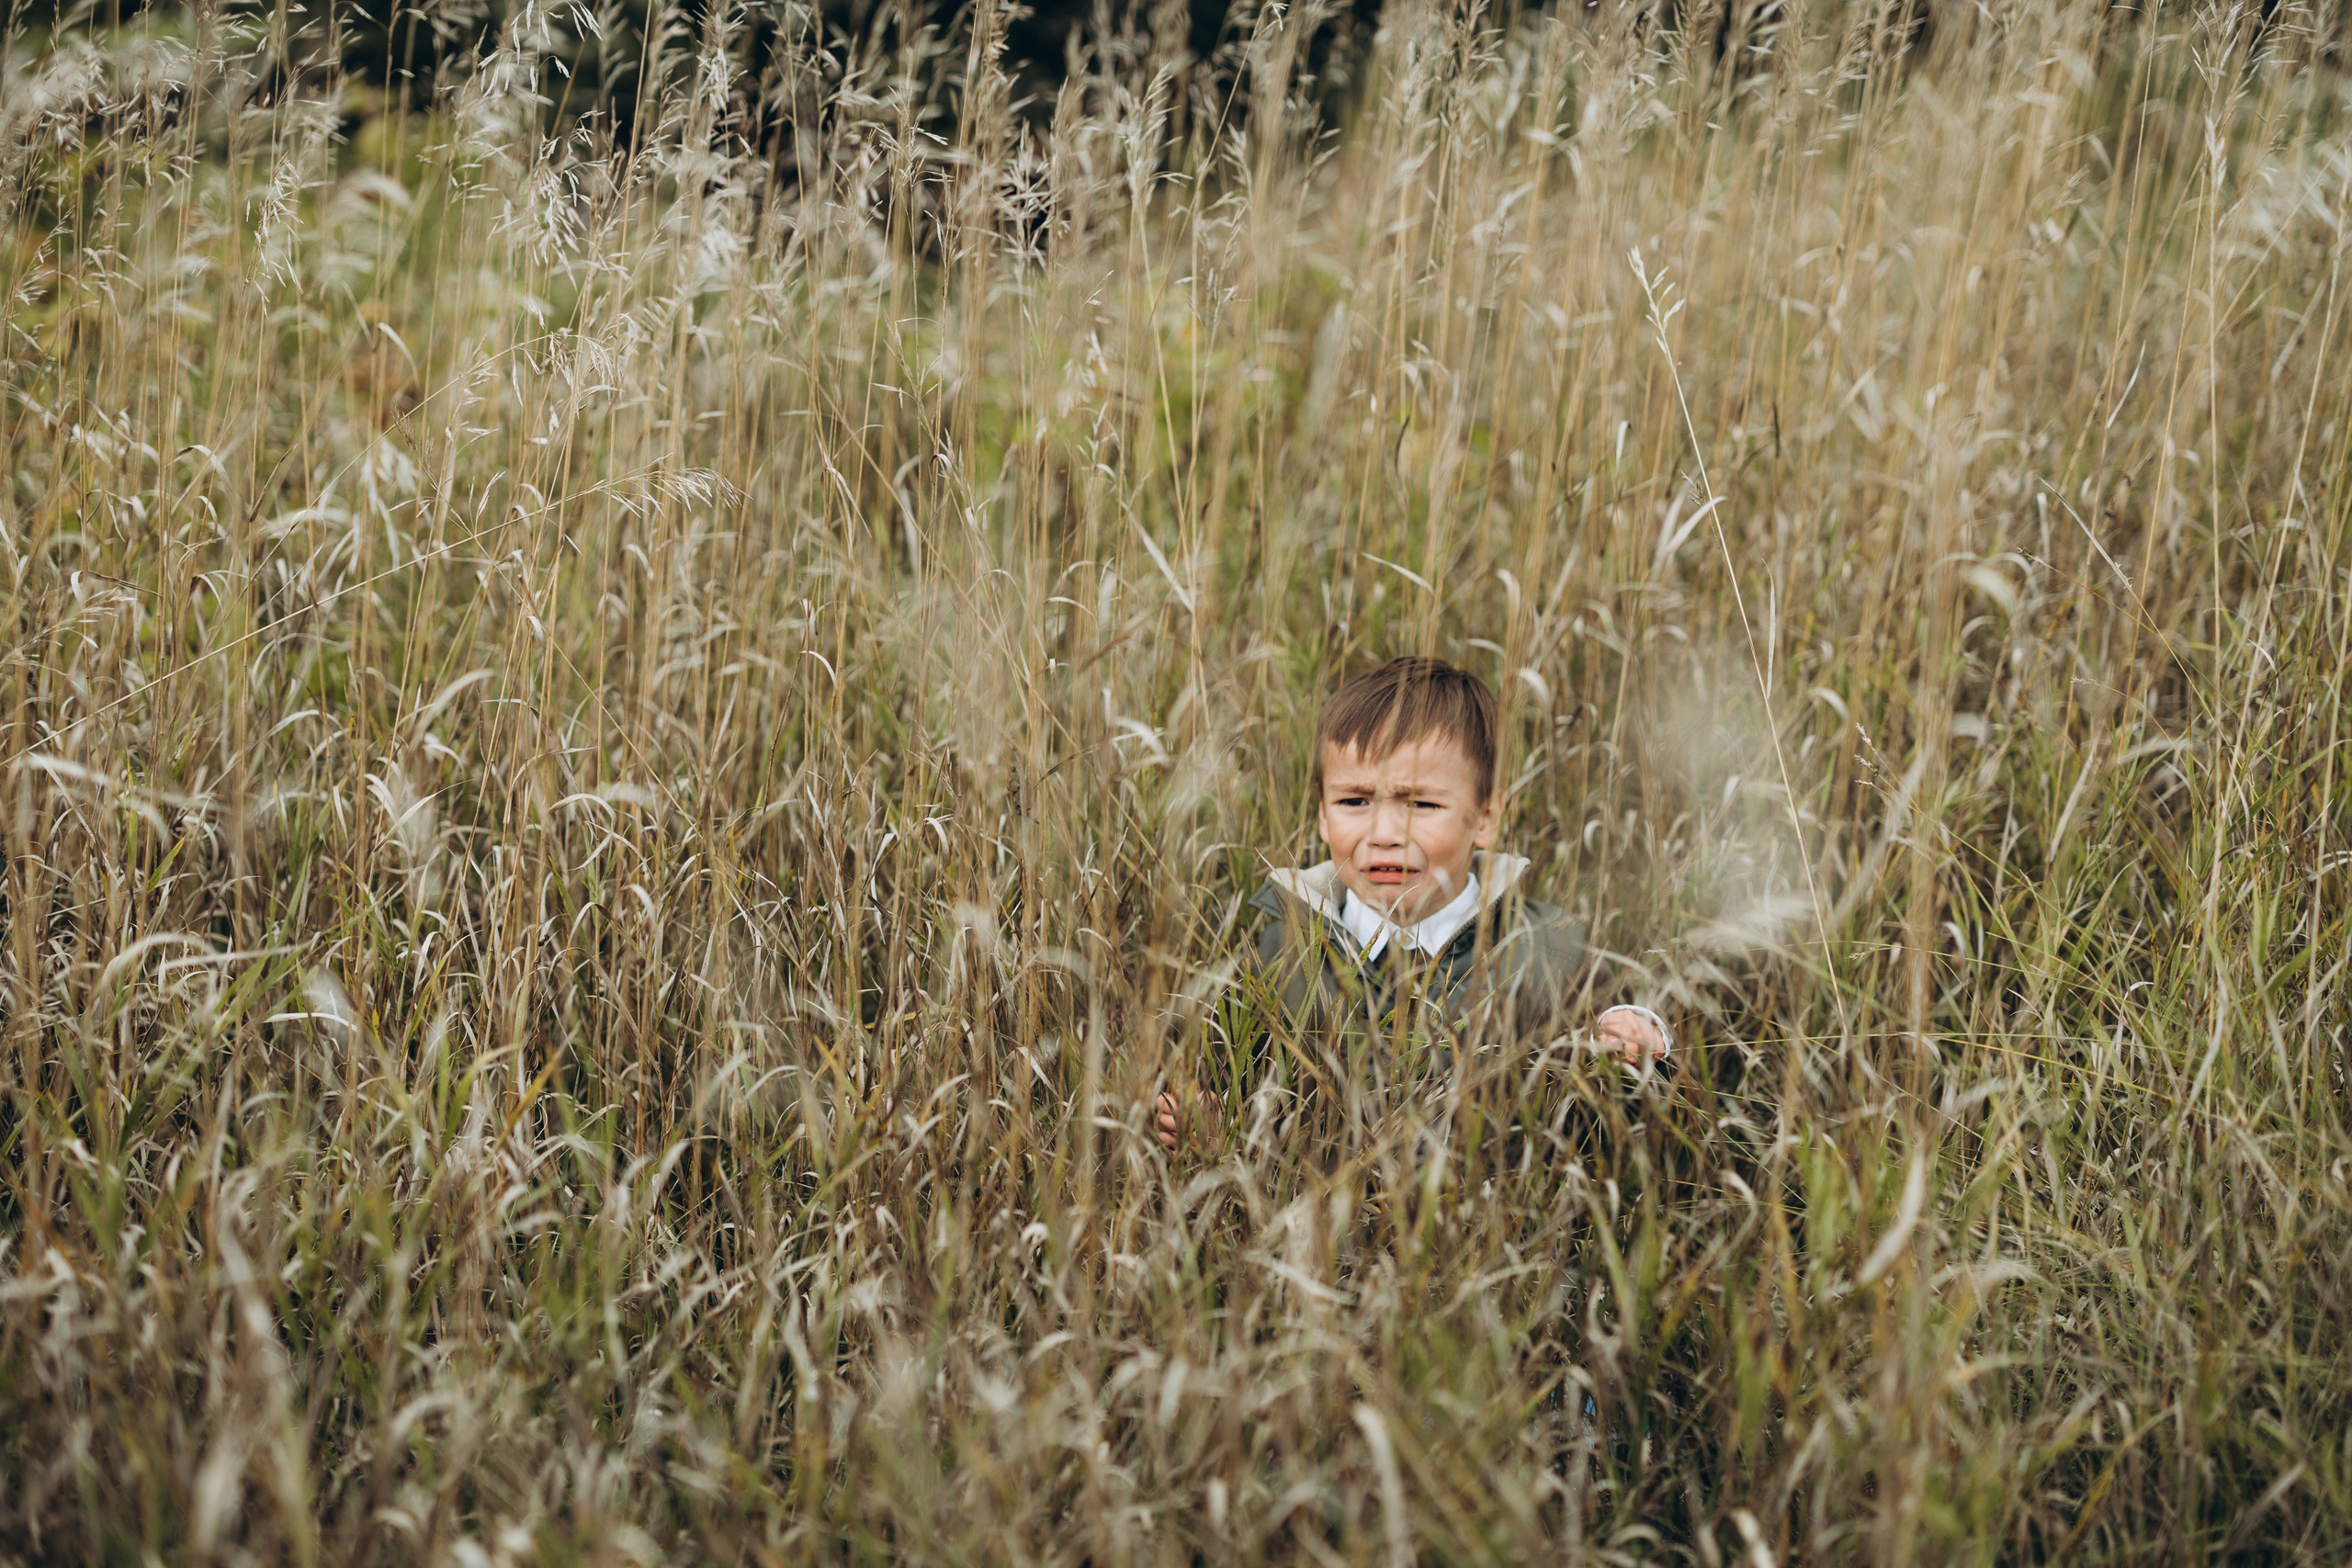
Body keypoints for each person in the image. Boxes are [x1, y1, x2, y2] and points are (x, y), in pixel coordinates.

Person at [1157, 656, 1671, 1150]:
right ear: (1321, 815)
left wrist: (1636, 1039)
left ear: (1485, 818)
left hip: (1485, 1222)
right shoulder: (1283, 949)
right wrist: (1207, 1118)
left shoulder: (1547, 949)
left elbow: (1628, 1093)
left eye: (1421, 804)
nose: (1384, 834)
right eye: (1354, 801)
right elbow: (1217, 1076)